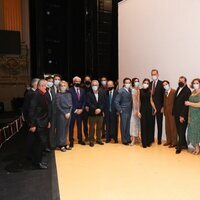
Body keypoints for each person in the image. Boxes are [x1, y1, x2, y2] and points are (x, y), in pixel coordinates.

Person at [28, 79, 51, 169]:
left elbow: (45, 110)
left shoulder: (43, 94)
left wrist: (48, 121)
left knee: (40, 143)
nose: (47, 87)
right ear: (41, 86)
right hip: (38, 123)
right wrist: (32, 125)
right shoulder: (35, 95)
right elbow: (31, 110)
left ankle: (38, 160)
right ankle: (38, 162)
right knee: (39, 143)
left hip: (43, 122)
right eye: (45, 86)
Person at [172, 76, 191, 154]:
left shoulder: (187, 90)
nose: (180, 82)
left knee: (181, 130)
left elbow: (186, 105)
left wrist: (182, 116)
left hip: (182, 115)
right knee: (179, 131)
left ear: (185, 82)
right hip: (176, 113)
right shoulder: (178, 88)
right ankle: (184, 145)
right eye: (179, 80)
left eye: (182, 81)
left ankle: (179, 147)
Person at [139, 78, 156, 148]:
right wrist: (138, 111)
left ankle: (149, 142)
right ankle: (144, 143)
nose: (146, 84)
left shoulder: (150, 91)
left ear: (149, 84)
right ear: (143, 83)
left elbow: (151, 101)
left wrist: (155, 108)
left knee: (149, 125)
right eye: (145, 82)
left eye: (147, 83)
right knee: (143, 125)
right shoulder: (139, 91)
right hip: (142, 109)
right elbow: (138, 101)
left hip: (149, 109)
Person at [69, 76, 86, 147]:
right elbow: (69, 102)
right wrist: (75, 110)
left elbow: (84, 101)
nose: (77, 82)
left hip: (80, 111)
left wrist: (82, 109)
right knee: (71, 126)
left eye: (79, 81)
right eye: (76, 81)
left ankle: (80, 139)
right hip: (73, 111)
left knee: (79, 126)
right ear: (73, 82)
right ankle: (71, 140)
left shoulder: (82, 90)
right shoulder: (69, 90)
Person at [87, 80, 105, 147]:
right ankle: (91, 140)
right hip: (92, 113)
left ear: (98, 85)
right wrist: (95, 109)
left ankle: (99, 139)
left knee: (99, 127)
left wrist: (100, 109)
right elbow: (89, 103)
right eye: (93, 85)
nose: (94, 86)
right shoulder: (89, 94)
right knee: (91, 128)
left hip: (100, 113)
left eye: (96, 85)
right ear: (91, 86)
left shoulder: (102, 93)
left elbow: (103, 102)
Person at [115, 77, 132, 145]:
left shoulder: (130, 90)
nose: (128, 84)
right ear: (124, 83)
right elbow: (116, 101)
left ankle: (128, 138)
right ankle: (124, 140)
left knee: (128, 125)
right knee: (123, 126)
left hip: (129, 110)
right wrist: (120, 110)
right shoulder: (121, 91)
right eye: (126, 82)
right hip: (123, 111)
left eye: (129, 82)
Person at [56, 81, 72, 152]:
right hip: (61, 114)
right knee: (61, 130)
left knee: (66, 130)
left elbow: (71, 105)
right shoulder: (57, 95)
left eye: (64, 85)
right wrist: (65, 113)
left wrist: (69, 112)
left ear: (66, 86)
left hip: (68, 113)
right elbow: (58, 106)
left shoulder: (69, 94)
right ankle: (61, 144)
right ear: (59, 87)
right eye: (61, 85)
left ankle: (66, 143)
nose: (63, 87)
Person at [185, 78, 200, 155]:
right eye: (194, 83)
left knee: (196, 132)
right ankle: (196, 147)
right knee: (192, 131)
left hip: (198, 115)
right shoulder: (193, 92)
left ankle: (197, 149)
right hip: (191, 114)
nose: (195, 84)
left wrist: (189, 103)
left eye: (197, 83)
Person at [150, 69, 165, 144]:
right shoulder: (149, 84)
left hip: (159, 108)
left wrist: (163, 107)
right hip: (151, 108)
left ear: (158, 74)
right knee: (151, 123)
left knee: (159, 124)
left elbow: (164, 96)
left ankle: (159, 140)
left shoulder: (162, 83)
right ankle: (151, 139)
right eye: (152, 74)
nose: (153, 76)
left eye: (155, 74)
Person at [162, 80, 177, 148]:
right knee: (167, 127)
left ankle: (174, 142)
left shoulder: (174, 91)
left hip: (172, 112)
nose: (165, 86)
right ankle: (168, 141)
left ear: (169, 84)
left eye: (166, 84)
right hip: (166, 112)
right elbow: (164, 103)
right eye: (164, 85)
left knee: (173, 127)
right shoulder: (165, 93)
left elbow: (176, 102)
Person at [45, 76, 56, 150]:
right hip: (45, 114)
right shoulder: (44, 90)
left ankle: (51, 144)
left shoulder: (52, 90)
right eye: (49, 81)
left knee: (52, 130)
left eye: (52, 81)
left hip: (53, 113)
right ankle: (46, 146)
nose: (51, 82)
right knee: (46, 131)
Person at [130, 78, 141, 146]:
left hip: (139, 109)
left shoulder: (139, 90)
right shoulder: (132, 90)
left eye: (138, 81)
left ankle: (139, 138)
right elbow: (133, 101)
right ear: (133, 82)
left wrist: (138, 110)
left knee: (138, 124)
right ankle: (133, 139)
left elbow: (139, 101)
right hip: (133, 109)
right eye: (135, 81)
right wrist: (135, 110)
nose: (137, 82)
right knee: (133, 124)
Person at [82, 75, 92, 140]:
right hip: (84, 109)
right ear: (84, 81)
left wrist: (90, 106)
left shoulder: (93, 88)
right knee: (85, 124)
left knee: (91, 124)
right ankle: (86, 136)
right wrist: (85, 106)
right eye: (86, 80)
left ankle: (91, 136)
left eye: (88, 80)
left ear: (90, 81)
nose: (87, 81)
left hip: (91, 108)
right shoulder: (81, 88)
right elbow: (81, 98)